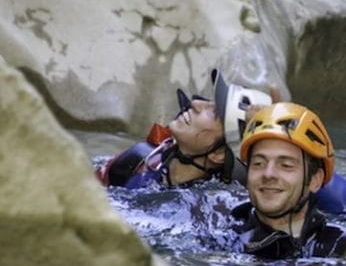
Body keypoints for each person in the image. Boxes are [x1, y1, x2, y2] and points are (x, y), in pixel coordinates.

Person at [231, 102, 346, 262]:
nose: (268, 174)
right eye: (259, 163)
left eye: (286, 165)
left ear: (315, 180)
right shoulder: (219, 234)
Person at [95, 69, 272, 189]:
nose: (195, 103)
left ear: (218, 155)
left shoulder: (204, 212)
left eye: (214, 113)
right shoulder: (136, 160)